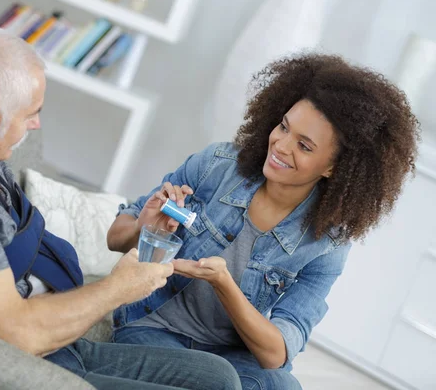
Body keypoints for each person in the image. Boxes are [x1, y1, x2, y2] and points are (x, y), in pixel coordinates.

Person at [0, 27, 241, 390]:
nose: (36, 123)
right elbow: (17, 330)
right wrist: (118, 289)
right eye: (31, 113)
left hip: (61, 345)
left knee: (218, 377)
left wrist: (140, 232)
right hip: (12, 364)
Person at [107, 53, 420, 390]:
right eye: (284, 126)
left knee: (283, 386)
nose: (281, 146)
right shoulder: (216, 165)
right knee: (218, 382)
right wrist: (146, 227)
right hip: (153, 327)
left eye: (303, 145)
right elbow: (115, 237)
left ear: (333, 168)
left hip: (229, 352)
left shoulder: (326, 244)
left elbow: (276, 354)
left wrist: (224, 285)